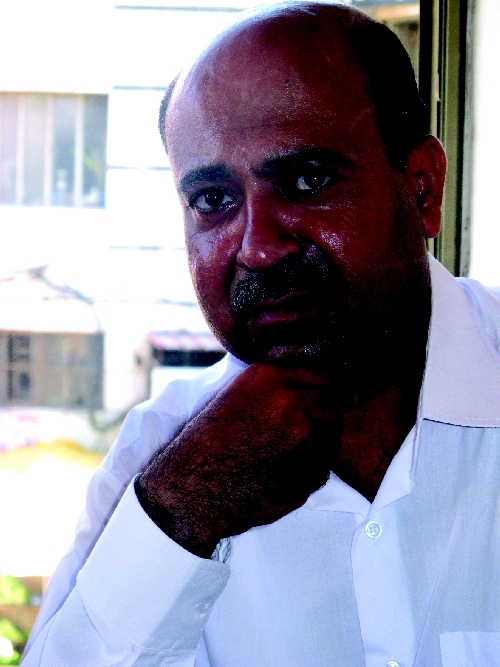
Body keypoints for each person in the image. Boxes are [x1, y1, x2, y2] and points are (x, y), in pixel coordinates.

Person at [22, 2, 500, 666]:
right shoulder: (159, 457)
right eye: (213, 200)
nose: (259, 247)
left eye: (308, 181)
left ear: (422, 189)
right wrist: (184, 512)